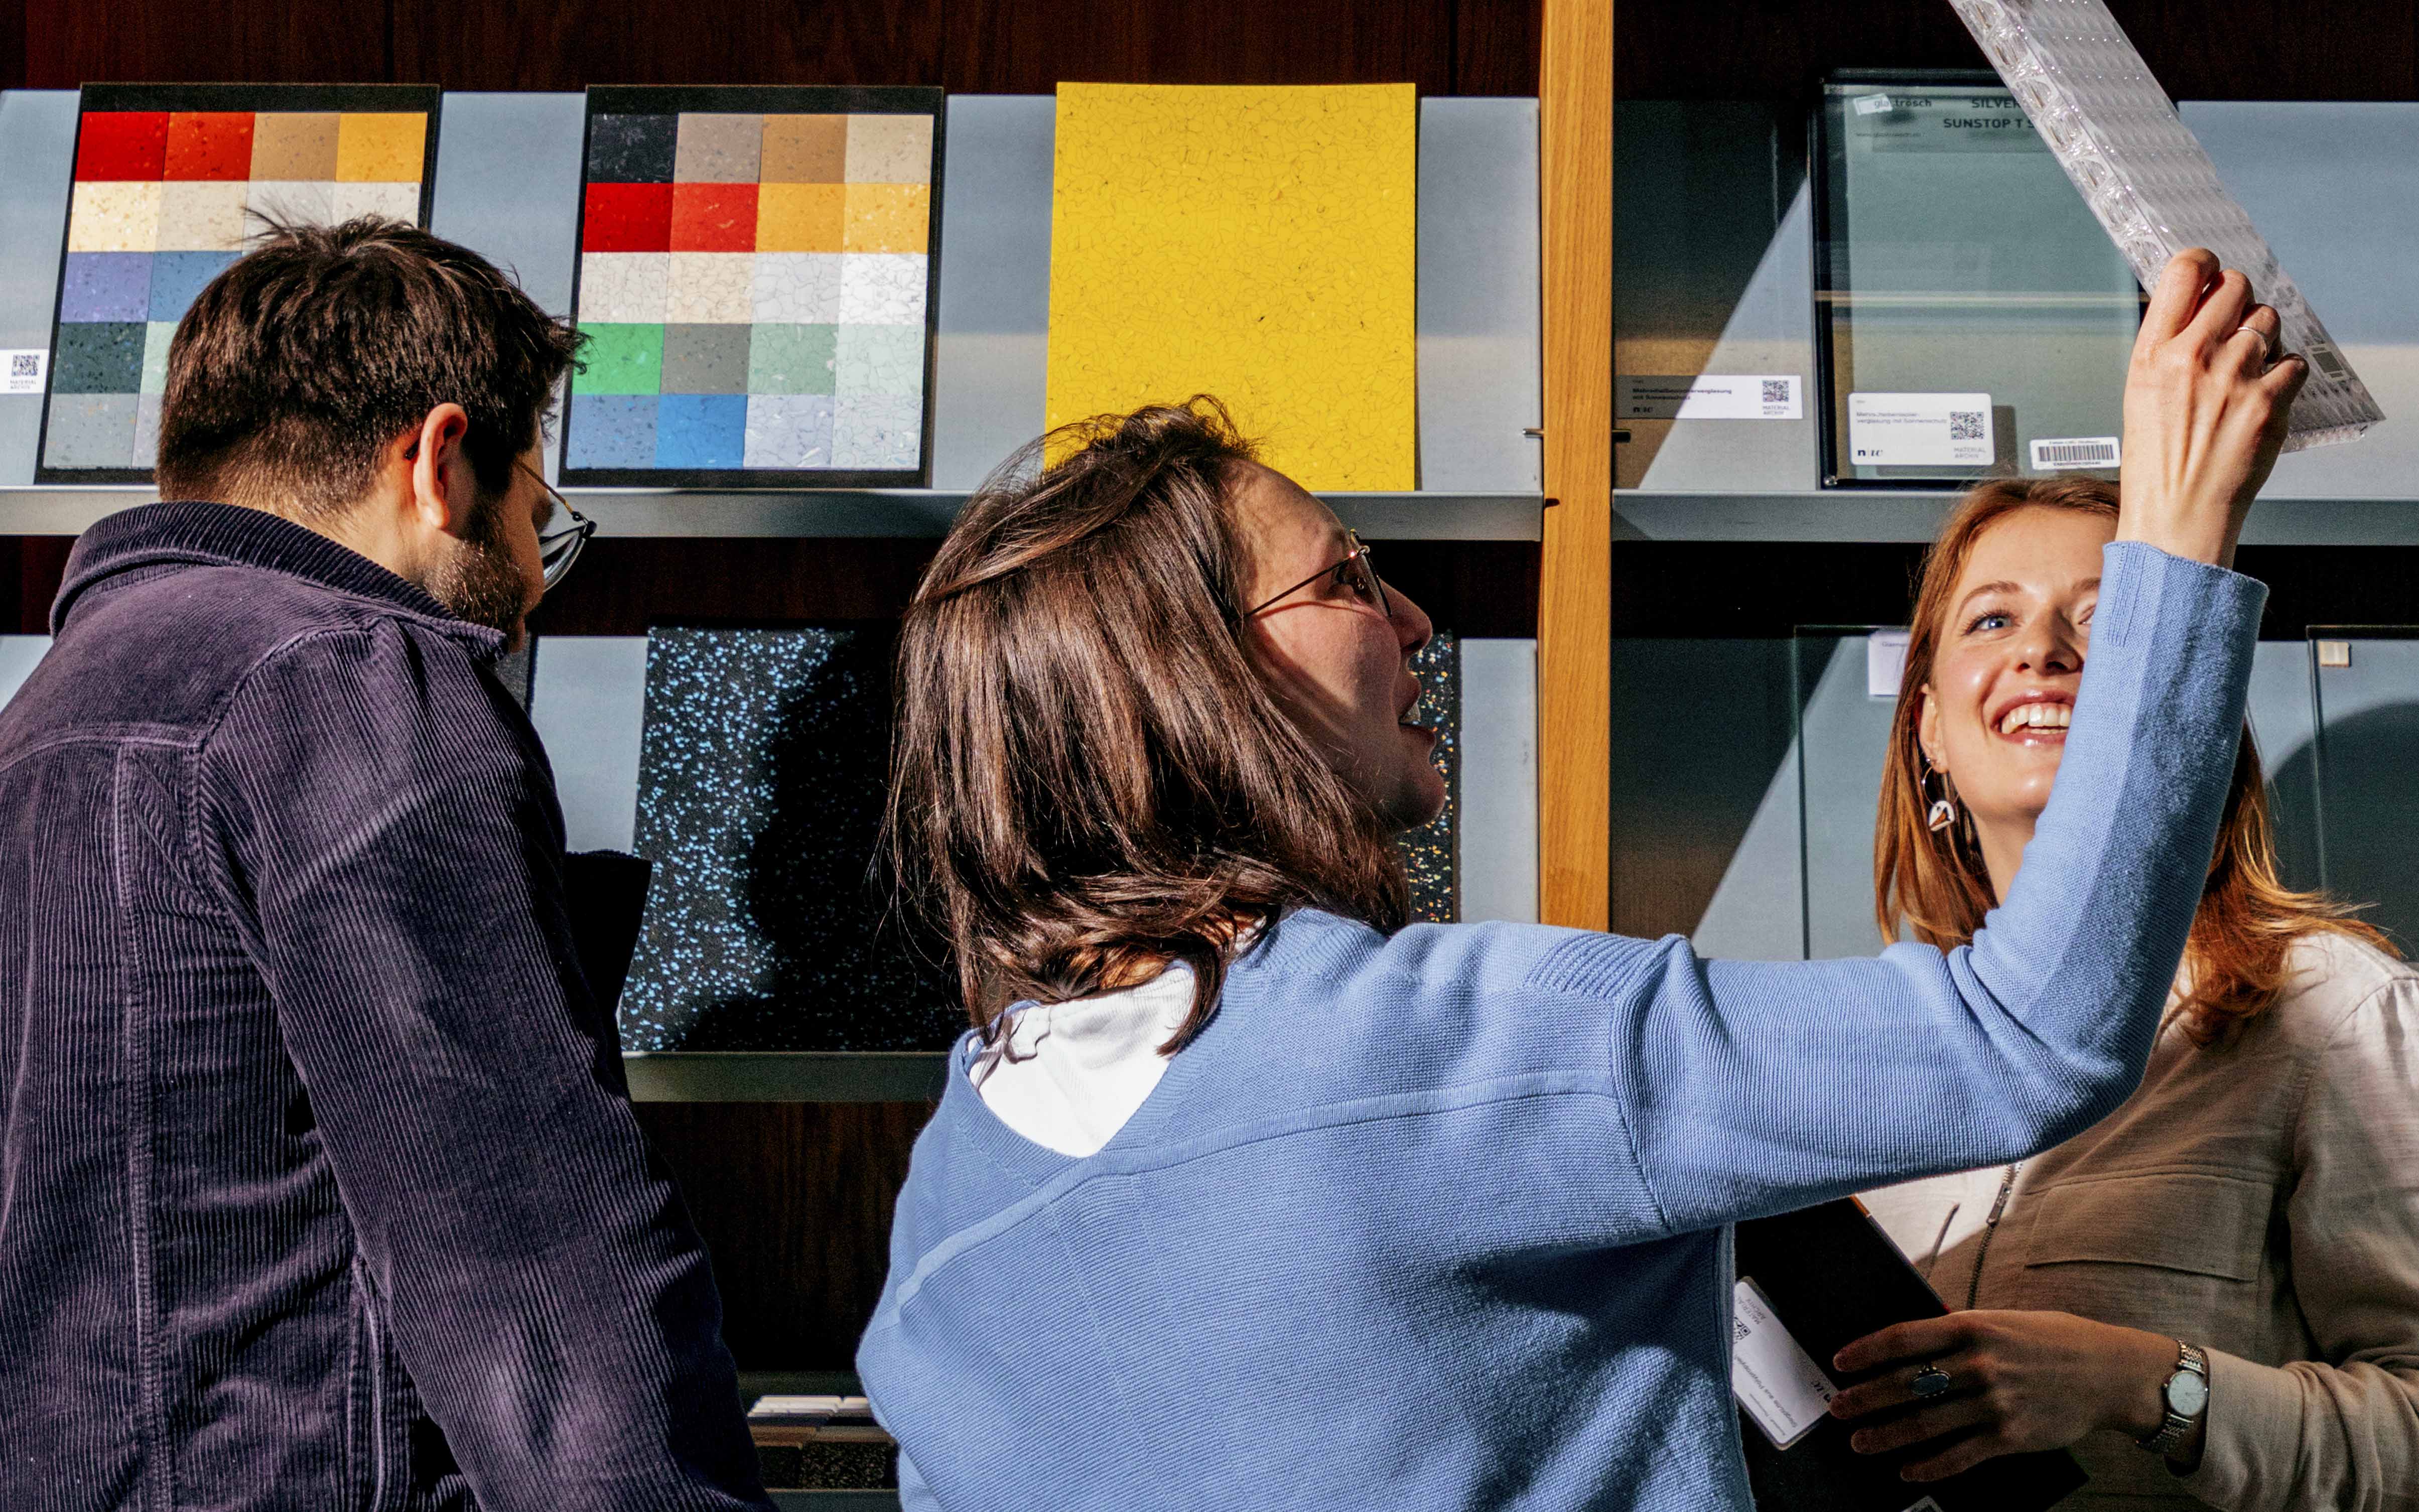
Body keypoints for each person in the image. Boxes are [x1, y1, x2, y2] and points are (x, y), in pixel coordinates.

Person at [857, 249, 2304, 1510]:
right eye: (1345, 577)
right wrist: (2174, 533)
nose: (1414, 617)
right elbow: (2028, 1033)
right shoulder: (1453, 1039)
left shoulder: (940, 1212)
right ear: (1191, 678)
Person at [0, 220, 771, 1511]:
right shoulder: (354, 680)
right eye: (536, 519)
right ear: (437, 459)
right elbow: (529, 1255)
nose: (531, 585)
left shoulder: (48, 714)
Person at [1829, 475, 2419, 1508]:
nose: (2042, 649)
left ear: (2187, 695)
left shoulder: (2331, 1008)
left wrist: (2139, 1383)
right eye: (1993, 618)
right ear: (1928, 728)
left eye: (2106, 619)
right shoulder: (1875, 1054)